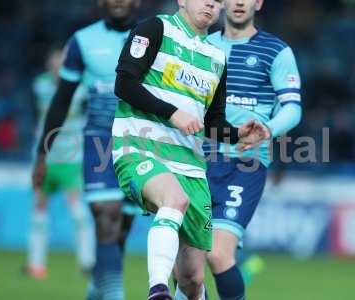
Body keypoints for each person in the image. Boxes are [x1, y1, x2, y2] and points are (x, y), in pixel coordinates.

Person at [112, 0, 264, 299]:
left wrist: (237, 135)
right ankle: (157, 290)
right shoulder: (155, 28)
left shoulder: (217, 57)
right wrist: (171, 112)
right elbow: (124, 84)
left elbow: (212, 122)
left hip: (191, 167)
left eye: (218, 0)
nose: (210, 3)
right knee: (173, 199)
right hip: (141, 149)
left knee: (193, 278)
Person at [32, 0, 141, 299]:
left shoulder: (155, 35)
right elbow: (61, 100)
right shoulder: (82, 41)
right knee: (106, 216)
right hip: (99, 142)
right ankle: (114, 295)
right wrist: (43, 154)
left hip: (142, 142)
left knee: (122, 228)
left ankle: (98, 287)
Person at [205, 1, 302, 299]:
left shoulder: (277, 51)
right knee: (185, 261)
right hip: (200, 160)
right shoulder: (202, 46)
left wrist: (268, 130)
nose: (239, 2)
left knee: (219, 255)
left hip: (246, 163)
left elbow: (292, 109)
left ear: (258, 3)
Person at [26, 48, 94, 279]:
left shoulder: (82, 88)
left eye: (62, 63)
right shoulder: (39, 86)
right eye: (54, 63)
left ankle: (87, 262)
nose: (58, 67)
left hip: (71, 158)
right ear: (48, 65)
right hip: (45, 158)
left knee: (77, 211)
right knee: (39, 209)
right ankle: (36, 265)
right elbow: (35, 117)